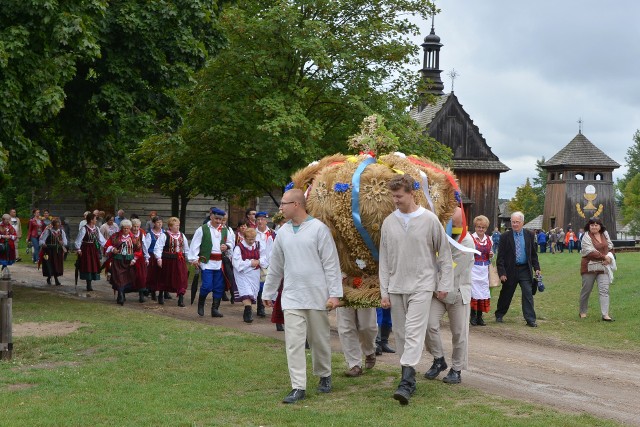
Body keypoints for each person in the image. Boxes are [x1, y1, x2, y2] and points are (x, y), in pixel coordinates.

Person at [262, 189, 342, 404]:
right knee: (294, 343)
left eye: (284, 204)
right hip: (292, 296)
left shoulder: (318, 230)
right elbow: (276, 265)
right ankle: (298, 386)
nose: (280, 208)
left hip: (317, 296)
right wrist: (268, 291)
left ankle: (324, 374)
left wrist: (334, 294)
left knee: (319, 340)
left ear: (296, 204)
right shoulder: (283, 233)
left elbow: (331, 264)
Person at [379, 174, 453, 406]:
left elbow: (444, 254)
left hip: (422, 285)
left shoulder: (430, 220)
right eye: (393, 196)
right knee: (400, 334)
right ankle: (407, 376)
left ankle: (407, 382)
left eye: (399, 196)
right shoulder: (389, 222)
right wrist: (384, 290)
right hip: (397, 285)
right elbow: (384, 259)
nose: (395, 200)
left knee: (413, 331)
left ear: (412, 193)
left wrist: (444, 284)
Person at [424, 207, 474, 384]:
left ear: (462, 222)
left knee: (459, 333)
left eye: (453, 220)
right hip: (437, 292)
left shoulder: (467, 242)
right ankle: (438, 359)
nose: (450, 223)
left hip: (457, 293)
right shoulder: (442, 237)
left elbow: (452, 269)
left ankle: (457, 369)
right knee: (428, 325)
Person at [495, 211, 541, 327]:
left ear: (522, 222)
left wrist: (537, 268)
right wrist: (502, 273)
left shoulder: (529, 235)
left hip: (525, 269)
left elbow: (533, 254)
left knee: (528, 293)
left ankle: (530, 319)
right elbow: (500, 257)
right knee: (506, 293)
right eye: (513, 222)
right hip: (510, 270)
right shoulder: (505, 236)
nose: (515, 224)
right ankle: (499, 314)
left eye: (517, 222)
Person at [188, 208, 234, 317]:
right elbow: (195, 245)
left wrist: (227, 246)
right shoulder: (202, 229)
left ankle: (215, 309)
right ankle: (201, 303)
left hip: (219, 263)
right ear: (211, 216)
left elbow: (231, 242)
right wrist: (194, 259)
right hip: (206, 262)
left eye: (220, 219)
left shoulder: (224, 230)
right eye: (216, 218)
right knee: (207, 286)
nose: (218, 221)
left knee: (218, 287)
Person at [579, 218, 615, 321]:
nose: (594, 227)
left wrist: (610, 257)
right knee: (586, 290)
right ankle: (582, 311)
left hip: (603, 267)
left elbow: (611, 247)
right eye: (592, 225)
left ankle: (605, 315)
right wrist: (605, 257)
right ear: (589, 226)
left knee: (604, 290)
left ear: (600, 226)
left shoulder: (605, 234)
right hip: (589, 267)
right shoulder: (586, 237)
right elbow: (590, 252)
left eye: (596, 225)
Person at [232, 228, 268, 322]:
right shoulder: (239, 247)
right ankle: (248, 312)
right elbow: (236, 263)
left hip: (254, 274)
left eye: (253, 239)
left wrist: (259, 261)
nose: (252, 241)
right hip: (242, 274)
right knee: (246, 291)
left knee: (253, 292)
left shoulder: (259, 245)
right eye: (249, 239)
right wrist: (250, 263)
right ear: (244, 237)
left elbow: (265, 257)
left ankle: (249, 309)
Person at [154, 217, 190, 306]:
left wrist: (190, 259)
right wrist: (159, 258)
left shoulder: (182, 235)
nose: (177, 227)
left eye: (178, 225)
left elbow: (186, 248)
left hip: (179, 260)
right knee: (165, 277)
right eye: (175, 226)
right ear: (170, 226)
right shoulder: (164, 235)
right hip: (168, 260)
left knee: (181, 278)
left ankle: (181, 299)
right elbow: (158, 247)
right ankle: (161, 295)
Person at [336, 303, 377, 377]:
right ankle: (355, 365)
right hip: (343, 293)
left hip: (364, 293)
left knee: (367, 327)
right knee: (346, 328)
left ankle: (369, 350)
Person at [470, 215, 493, 326]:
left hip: (484, 270)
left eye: (483, 227)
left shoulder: (489, 239)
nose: (481, 229)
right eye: (479, 227)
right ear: (475, 227)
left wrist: (491, 255)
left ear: (486, 228)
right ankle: (473, 316)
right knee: (473, 292)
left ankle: (480, 316)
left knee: (483, 292)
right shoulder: (470, 238)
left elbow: (491, 254)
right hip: (473, 269)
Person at [75, 212, 107, 292]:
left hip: (94, 249)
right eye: (95, 219)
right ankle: (88, 284)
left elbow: (101, 240)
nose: (96, 220)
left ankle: (90, 282)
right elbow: (78, 240)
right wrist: (78, 249)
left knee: (93, 265)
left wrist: (108, 246)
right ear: (91, 220)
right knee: (88, 265)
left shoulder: (96, 228)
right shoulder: (84, 228)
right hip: (86, 249)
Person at [255, 211, 275, 317]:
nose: (260, 221)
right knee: (259, 286)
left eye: (262, 219)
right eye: (258, 219)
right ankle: (260, 307)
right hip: (257, 262)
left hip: (269, 263)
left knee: (268, 284)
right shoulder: (253, 233)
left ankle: (272, 308)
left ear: (266, 221)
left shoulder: (272, 233)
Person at [39, 218, 67, 286]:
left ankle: (56, 278)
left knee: (56, 265)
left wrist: (62, 242)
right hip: (49, 251)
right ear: (54, 224)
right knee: (50, 264)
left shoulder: (61, 231)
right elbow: (41, 240)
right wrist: (43, 244)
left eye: (59, 223)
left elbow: (65, 242)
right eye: (57, 223)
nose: (59, 225)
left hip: (58, 251)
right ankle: (49, 277)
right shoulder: (48, 231)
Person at [144, 216, 164, 301]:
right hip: (152, 256)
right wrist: (147, 257)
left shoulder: (164, 233)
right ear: (154, 223)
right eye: (158, 222)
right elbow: (146, 247)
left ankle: (162, 292)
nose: (159, 224)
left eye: (161, 222)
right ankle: (152, 291)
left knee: (162, 274)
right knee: (153, 274)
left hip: (162, 256)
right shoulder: (150, 234)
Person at [130, 218, 149, 303]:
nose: (136, 228)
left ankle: (141, 294)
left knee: (141, 276)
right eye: (134, 226)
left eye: (137, 226)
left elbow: (144, 246)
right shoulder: (128, 233)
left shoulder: (141, 234)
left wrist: (146, 257)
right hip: (129, 256)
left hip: (140, 257)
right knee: (129, 275)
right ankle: (123, 293)